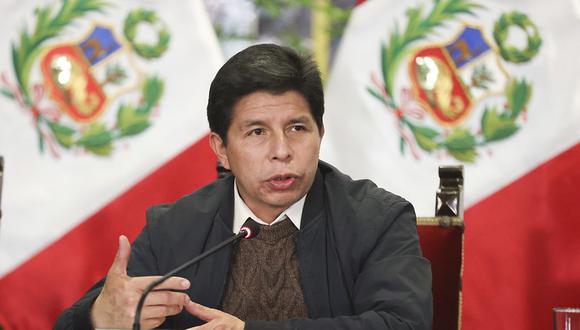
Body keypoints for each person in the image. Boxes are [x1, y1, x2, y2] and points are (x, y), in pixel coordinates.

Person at [55, 44, 432, 329]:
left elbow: (404, 324)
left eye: (297, 128)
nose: (281, 151)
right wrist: (96, 317)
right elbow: (84, 318)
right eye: (256, 132)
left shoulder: (377, 218)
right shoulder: (174, 229)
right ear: (221, 149)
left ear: (321, 132)